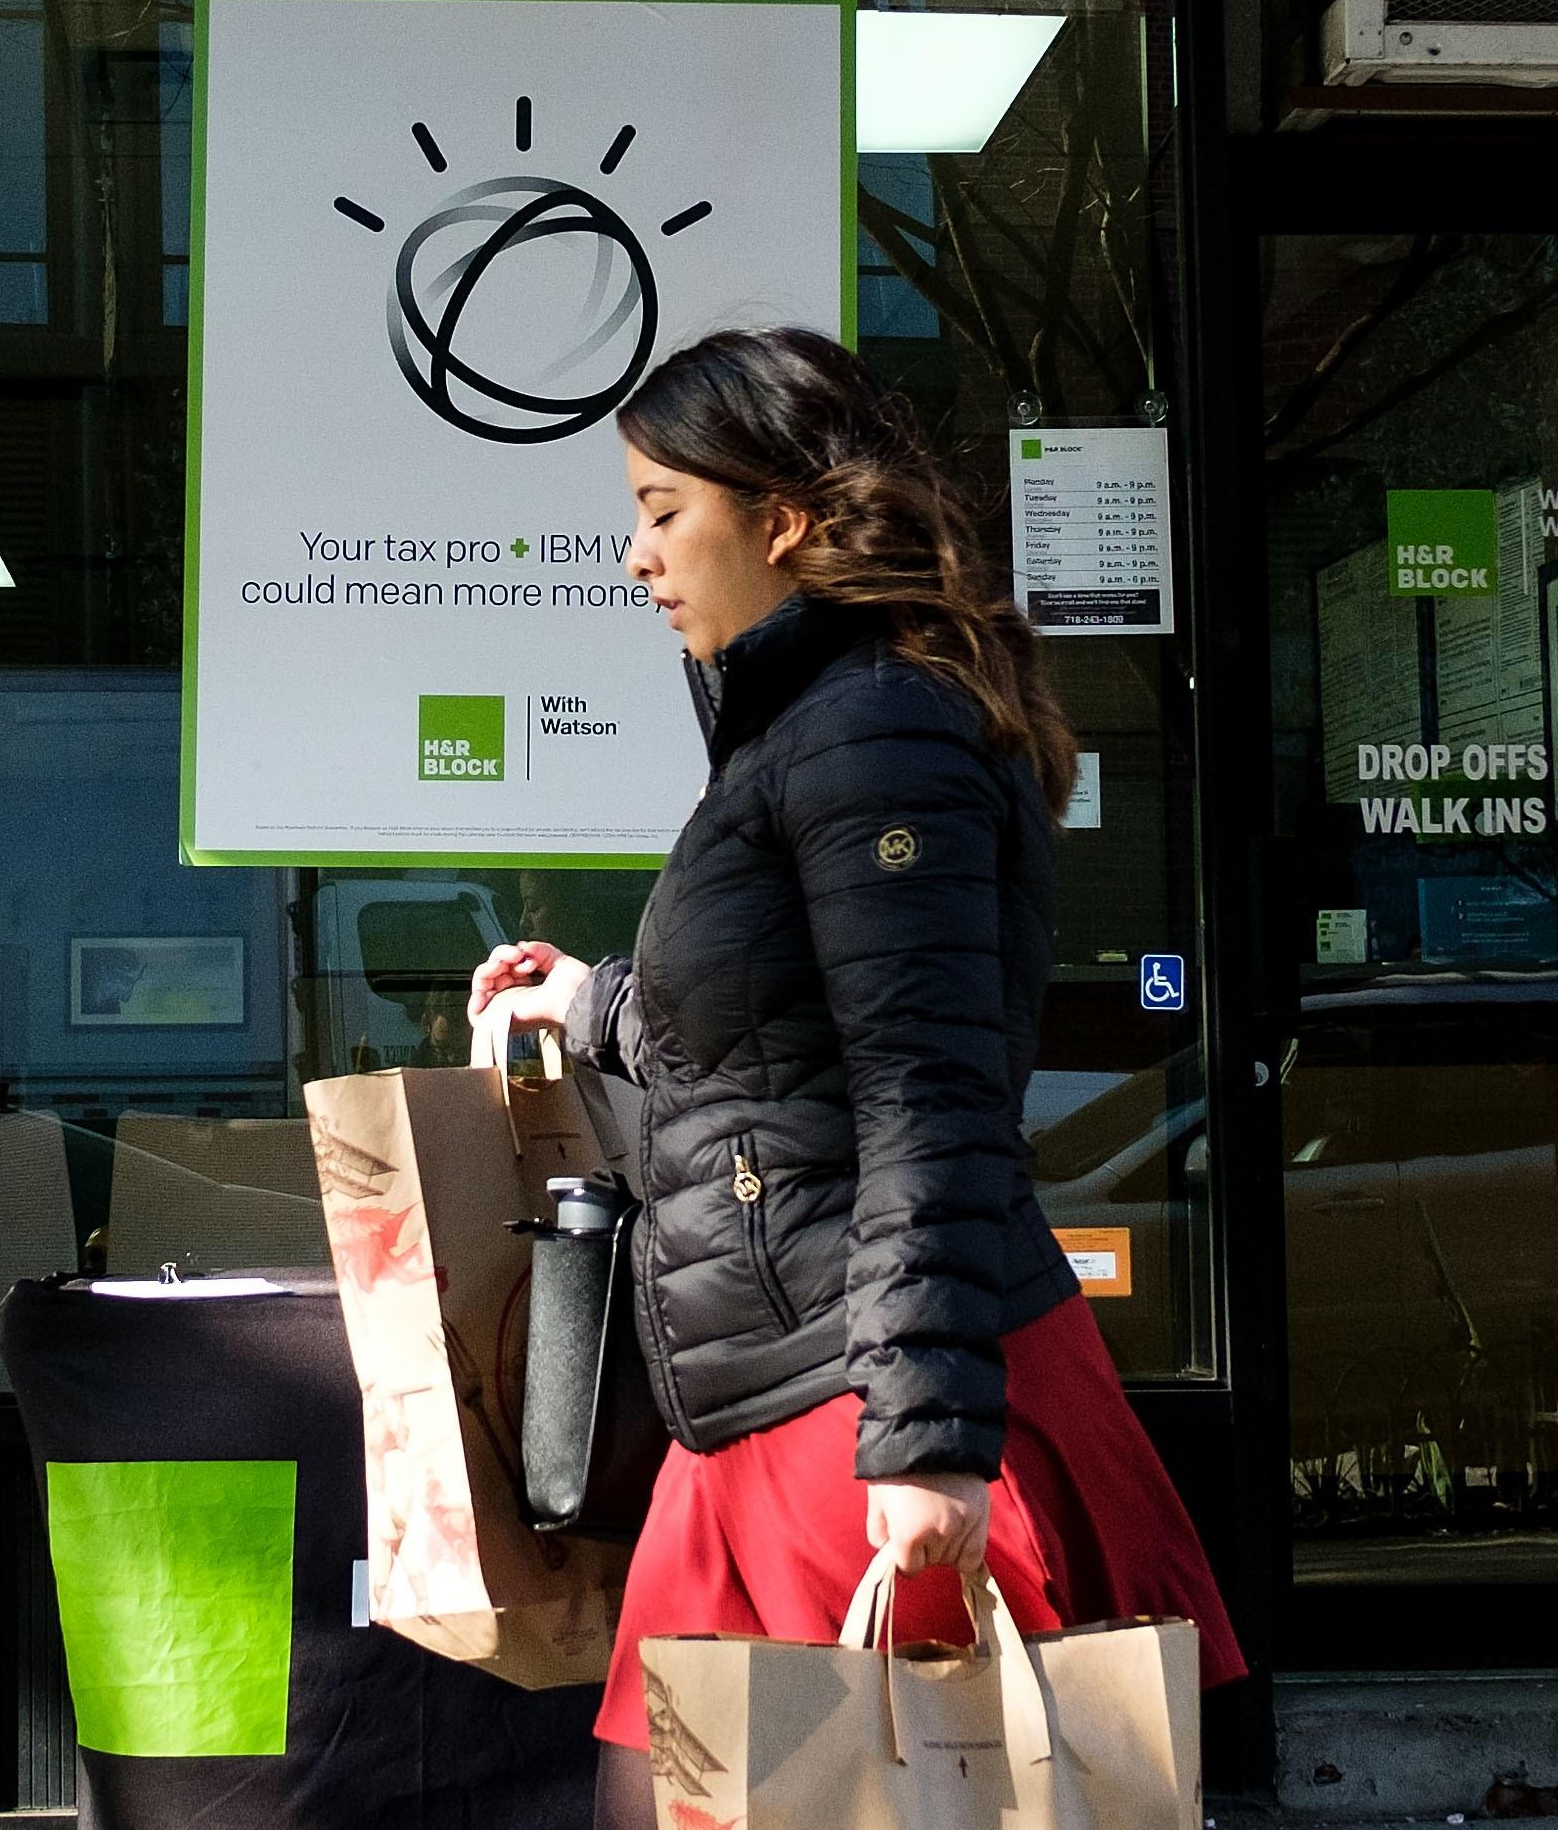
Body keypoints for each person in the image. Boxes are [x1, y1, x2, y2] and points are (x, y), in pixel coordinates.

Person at [464, 326, 1245, 1804]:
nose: (636, 556)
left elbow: (929, 1096)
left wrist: (932, 1441)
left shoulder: (876, 730)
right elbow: (774, 1037)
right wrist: (591, 998)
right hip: (785, 1383)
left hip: (867, 1397)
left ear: (786, 516)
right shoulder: (814, 731)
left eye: (659, 507)